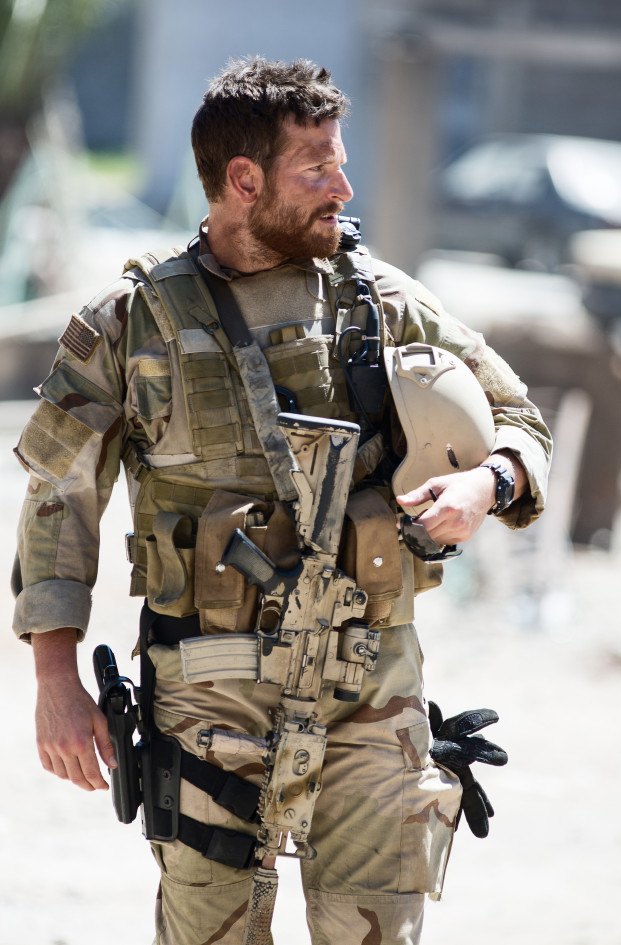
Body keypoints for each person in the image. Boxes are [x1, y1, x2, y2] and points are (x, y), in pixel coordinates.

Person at [12, 57, 552, 945]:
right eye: (317, 168)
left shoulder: (381, 301)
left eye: (341, 163)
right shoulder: (133, 322)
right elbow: (58, 497)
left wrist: (487, 481)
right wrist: (53, 680)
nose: (343, 187)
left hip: (372, 686)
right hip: (208, 698)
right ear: (243, 180)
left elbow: (520, 419)